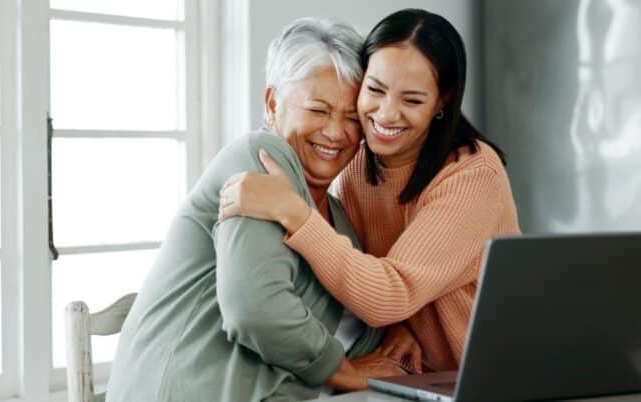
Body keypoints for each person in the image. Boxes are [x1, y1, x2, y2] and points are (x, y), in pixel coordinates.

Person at [105, 18, 417, 402]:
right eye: (318, 110)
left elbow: (345, 306)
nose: (336, 133)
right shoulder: (260, 159)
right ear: (273, 103)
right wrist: (346, 373)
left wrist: (391, 334)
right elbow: (254, 307)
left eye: (352, 117)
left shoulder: (333, 213)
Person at [219, 8, 521, 374]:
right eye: (375, 90)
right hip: (417, 378)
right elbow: (349, 269)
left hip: (495, 379)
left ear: (442, 102)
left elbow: (390, 294)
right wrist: (391, 337)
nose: (387, 114)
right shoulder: (356, 162)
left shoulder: (471, 175)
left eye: (412, 100)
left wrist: (295, 212)